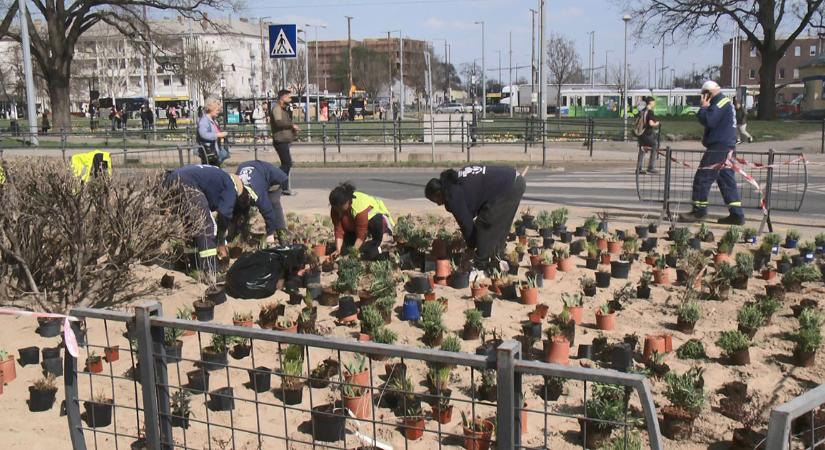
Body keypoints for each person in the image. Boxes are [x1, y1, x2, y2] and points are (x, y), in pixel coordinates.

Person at [425, 165, 526, 271]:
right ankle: (498, 257)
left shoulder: (452, 195)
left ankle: (480, 266)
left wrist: (471, 247)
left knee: (485, 225)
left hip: (508, 187)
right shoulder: (452, 182)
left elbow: (466, 224)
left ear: (438, 193)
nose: (438, 204)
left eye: (435, 200)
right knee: (500, 225)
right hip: (514, 181)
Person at [164, 165, 252, 281]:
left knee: (191, 226)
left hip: (172, 179)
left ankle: (193, 266)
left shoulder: (218, 179)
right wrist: (220, 242)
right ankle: (211, 272)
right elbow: (224, 213)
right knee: (206, 226)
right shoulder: (231, 186)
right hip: (187, 183)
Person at [679, 81, 744, 225]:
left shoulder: (720, 103)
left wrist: (703, 108)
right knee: (726, 181)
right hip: (726, 146)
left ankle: (699, 211)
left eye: (703, 95)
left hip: (719, 147)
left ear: (708, 93)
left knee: (702, 178)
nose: (702, 97)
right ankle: (737, 214)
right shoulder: (724, 103)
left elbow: (708, 120)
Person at [328, 182, 394, 260]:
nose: (338, 210)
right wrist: (338, 250)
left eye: (340, 207)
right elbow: (338, 230)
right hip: (355, 228)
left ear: (347, 202)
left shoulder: (359, 207)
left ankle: (383, 246)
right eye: (336, 208)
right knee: (344, 252)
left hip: (377, 223)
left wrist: (353, 253)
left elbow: (361, 234)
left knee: (368, 252)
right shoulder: (335, 209)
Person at [236, 160, 289, 246]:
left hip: (274, 177)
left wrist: (270, 234)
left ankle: (282, 236)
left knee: (273, 203)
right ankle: (242, 235)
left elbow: (268, 213)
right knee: (242, 209)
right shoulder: (235, 189)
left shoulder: (257, 194)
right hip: (254, 171)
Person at [270, 89, 299, 195]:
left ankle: (283, 187)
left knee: (286, 164)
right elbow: (278, 122)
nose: (289, 98)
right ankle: (275, 182)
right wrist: (291, 125)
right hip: (280, 140)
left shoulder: (284, 109)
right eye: (287, 96)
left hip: (284, 140)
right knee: (287, 164)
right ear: (282, 97)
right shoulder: (277, 108)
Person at [197, 97, 230, 166]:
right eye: (217, 110)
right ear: (211, 109)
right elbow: (203, 134)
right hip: (208, 153)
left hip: (214, 151)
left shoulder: (213, 120)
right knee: (211, 172)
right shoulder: (204, 120)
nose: (219, 112)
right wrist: (218, 135)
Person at [635, 96, 660, 174]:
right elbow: (651, 123)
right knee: (655, 144)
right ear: (651, 102)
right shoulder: (650, 112)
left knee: (642, 149)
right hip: (647, 133)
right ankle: (651, 167)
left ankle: (639, 168)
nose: (655, 103)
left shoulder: (642, 111)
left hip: (640, 133)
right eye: (654, 102)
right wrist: (657, 123)